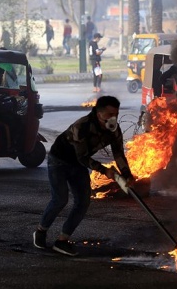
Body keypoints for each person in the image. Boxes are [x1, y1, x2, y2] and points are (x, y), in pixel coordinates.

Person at [33, 96, 135, 256]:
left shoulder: (114, 129)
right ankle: (40, 231)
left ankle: (62, 240)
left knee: (83, 202)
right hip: (59, 160)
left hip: (78, 165)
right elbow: (82, 157)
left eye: (115, 113)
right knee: (60, 199)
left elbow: (118, 153)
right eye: (109, 114)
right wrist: (104, 170)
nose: (113, 118)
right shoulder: (83, 126)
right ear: (99, 113)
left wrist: (127, 174)